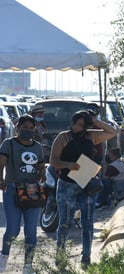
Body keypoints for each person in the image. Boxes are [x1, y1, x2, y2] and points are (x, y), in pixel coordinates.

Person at [49, 110, 116, 269]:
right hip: (67, 185)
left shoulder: (90, 136)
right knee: (65, 222)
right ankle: (60, 254)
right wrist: (68, 165)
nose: (77, 127)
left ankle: (86, 256)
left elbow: (112, 132)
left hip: (86, 183)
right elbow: (53, 160)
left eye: (81, 124)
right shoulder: (63, 137)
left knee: (87, 222)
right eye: (75, 123)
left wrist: (95, 121)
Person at [0, 115, 45, 274]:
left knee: (31, 231)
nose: (27, 130)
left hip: (32, 191)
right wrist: (1, 180)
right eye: (24, 127)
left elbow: (41, 165)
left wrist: (42, 174)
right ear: (18, 127)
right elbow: (1, 164)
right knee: (13, 230)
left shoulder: (37, 146)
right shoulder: (9, 144)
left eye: (30, 127)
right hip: (12, 189)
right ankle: (3, 259)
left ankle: (28, 266)